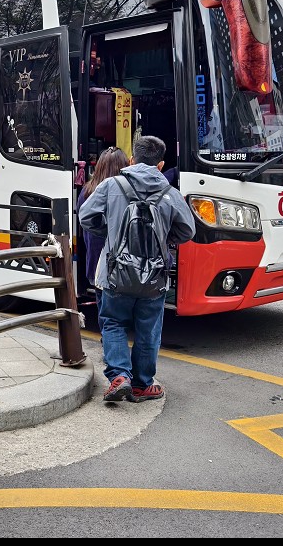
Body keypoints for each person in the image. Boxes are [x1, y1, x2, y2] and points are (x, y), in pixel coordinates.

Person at [77, 135, 195, 404]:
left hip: (115, 272)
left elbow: (85, 217)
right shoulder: (170, 194)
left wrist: (111, 236)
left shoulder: (110, 185)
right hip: (154, 276)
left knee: (113, 322)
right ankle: (143, 384)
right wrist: (166, 237)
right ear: (161, 164)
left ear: (132, 160)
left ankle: (119, 376)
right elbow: (188, 231)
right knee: (149, 329)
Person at [76, 146, 130, 307]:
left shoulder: (87, 191)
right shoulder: (128, 191)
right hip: (123, 264)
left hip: (96, 262)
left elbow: (83, 221)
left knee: (106, 316)